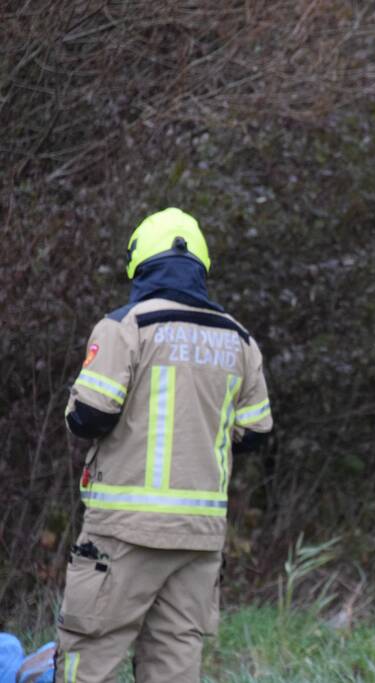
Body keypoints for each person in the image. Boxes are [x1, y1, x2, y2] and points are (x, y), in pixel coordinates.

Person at [55, 208, 273, 682]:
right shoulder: (239, 340)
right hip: (199, 536)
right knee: (175, 662)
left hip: (123, 530)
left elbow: (88, 417)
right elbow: (255, 433)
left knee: (88, 656)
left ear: (140, 265)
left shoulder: (125, 327)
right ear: (201, 267)